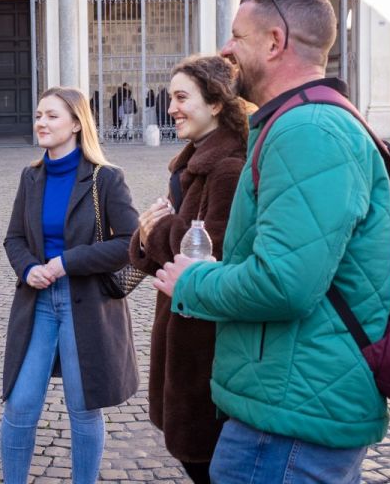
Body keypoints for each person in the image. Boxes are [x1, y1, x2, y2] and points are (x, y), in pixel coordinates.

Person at [153, 0, 390, 483]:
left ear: (274, 42)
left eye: (237, 37)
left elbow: (285, 283)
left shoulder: (308, 131)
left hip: (292, 416)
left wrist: (191, 282)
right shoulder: (295, 124)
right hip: (285, 399)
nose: (224, 50)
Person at [1, 86, 139, 484]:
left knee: (83, 407)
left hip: (88, 304)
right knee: (20, 405)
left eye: (52, 116)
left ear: (77, 124)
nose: (41, 122)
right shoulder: (31, 177)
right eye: (39, 114)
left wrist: (66, 262)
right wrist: (28, 268)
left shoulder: (107, 178)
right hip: (38, 302)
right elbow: (14, 238)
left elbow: (128, 244)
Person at [128, 55, 248, 483]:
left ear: (215, 103)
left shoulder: (228, 168)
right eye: (170, 98)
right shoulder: (191, 163)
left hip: (205, 344)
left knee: (207, 462)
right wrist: (148, 237)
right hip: (180, 328)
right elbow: (159, 240)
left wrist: (154, 231)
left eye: (182, 97)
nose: (172, 108)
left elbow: (204, 252)